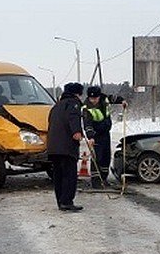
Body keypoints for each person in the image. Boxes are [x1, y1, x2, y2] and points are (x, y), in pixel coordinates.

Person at [46, 82, 93, 211]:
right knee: (69, 174)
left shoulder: (56, 106)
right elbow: (73, 118)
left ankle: (60, 201)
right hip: (66, 147)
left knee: (58, 175)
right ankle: (67, 201)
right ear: (77, 94)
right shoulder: (73, 103)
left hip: (54, 147)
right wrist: (76, 132)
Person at [82, 86, 126, 188]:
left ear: (99, 96)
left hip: (106, 133)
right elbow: (87, 124)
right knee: (97, 157)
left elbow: (114, 98)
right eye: (91, 98)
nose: (93, 101)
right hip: (96, 135)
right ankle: (96, 181)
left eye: (95, 98)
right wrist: (90, 137)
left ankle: (104, 179)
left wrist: (122, 101)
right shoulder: (86, 108)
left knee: (106, 157)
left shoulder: (104, 99)